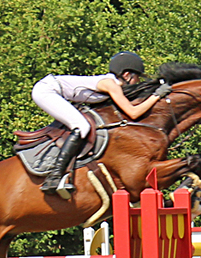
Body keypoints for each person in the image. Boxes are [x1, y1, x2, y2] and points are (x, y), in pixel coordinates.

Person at [31, 51, 172, 194]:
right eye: (137, 77)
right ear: (127, 75)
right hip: (46, 91)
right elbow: (133, 112)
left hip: (51, 89)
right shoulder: (111, 85)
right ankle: (54, 177)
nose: (137, 82)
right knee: (82, 126)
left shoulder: (110, 83)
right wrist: (156, 96)